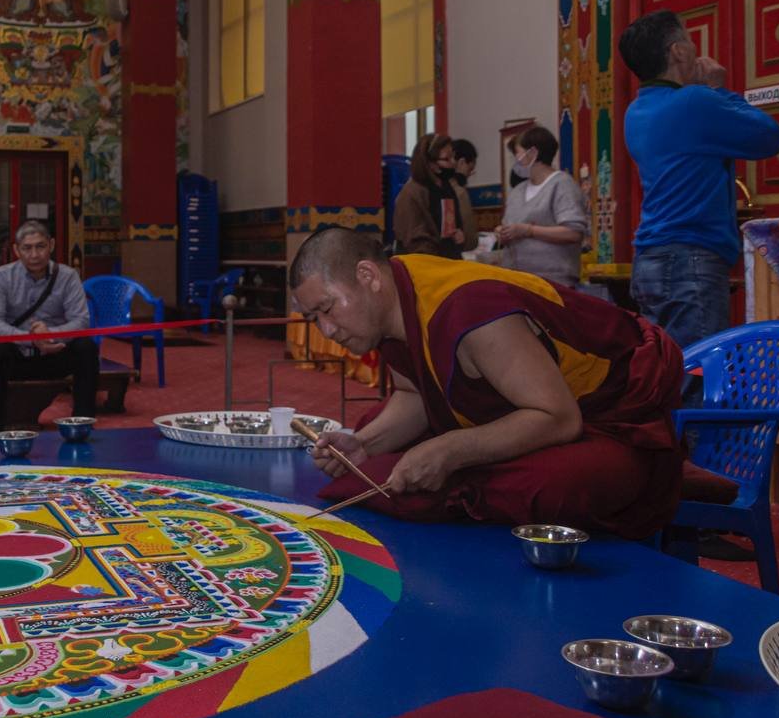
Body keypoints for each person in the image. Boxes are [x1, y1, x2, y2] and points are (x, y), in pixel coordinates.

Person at [290, 227, 684, 539]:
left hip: (611, 420)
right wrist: (365, 444)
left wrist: (450, 450)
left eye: (327, 309)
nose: (327, 330)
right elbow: (416, 394)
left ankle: (461, 487)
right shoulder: (395, 295)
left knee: (551, 485)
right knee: (371, 428)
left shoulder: (469, 310)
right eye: (314, 319)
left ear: (367, 275)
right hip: (526, 405)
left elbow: (560, 418)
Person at [618, 9, 779, 348]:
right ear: (678, 51)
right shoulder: (695, 100)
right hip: (690, 258)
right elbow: (769, 137)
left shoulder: (635, 111)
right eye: (689, 40)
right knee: (700, 367)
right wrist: (718, 88)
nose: (695, 48)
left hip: (649, 258)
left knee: (666, 365)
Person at [0, 220, 98, 431]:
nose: (34, 255)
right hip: (17, 354)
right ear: (16, 250)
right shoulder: (1, 276)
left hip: (55, 353)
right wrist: (30, 338)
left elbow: (81, 321)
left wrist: (49, 335)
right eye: (27, 248)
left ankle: (82, 424)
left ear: (51, 245)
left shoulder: (68, 276)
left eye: (40, 246)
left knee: (86, 348)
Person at [496, 125, 589, 287]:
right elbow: (509, 225)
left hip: (553, 281)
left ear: (532, 153)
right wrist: (502, 232)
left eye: (518, 153)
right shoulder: (518, 191)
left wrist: (529, 230)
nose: (516, 159)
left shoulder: (562, 185)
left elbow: (573, 233)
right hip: (516, 279)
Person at [393, 134, 476, 259]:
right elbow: (415, 240)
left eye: (453, 157)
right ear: (430, 163)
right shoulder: (412, 193)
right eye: (447, 159)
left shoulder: (447, 187)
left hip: (449, 260)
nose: (453, 163)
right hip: (425, 263)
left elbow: (453, 224)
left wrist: (459, 235)